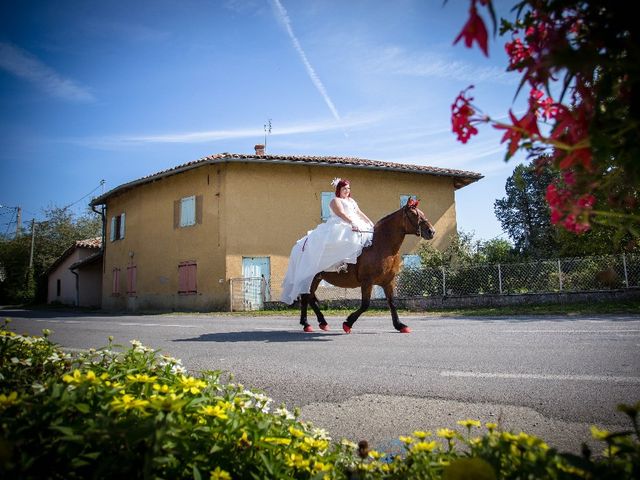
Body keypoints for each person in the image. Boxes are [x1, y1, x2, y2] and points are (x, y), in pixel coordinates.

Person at [281, 178, 375, 305]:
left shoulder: (352, 201)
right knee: (345, 239)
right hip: (341, 224)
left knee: (367, 239)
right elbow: (341, 214)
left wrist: (369, 222)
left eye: (348, 188)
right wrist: (351, 222)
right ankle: (339, 264)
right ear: (339, 190)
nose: (347, 191)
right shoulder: (335, 201)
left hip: (356, 223)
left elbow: (359, 212)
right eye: (344, 189)